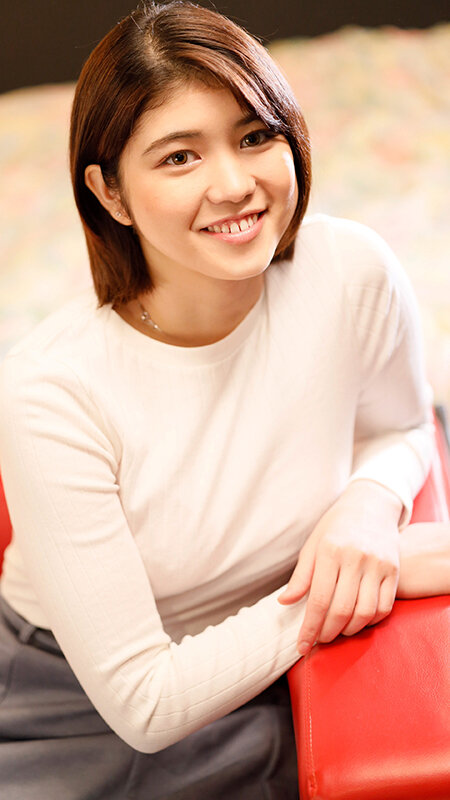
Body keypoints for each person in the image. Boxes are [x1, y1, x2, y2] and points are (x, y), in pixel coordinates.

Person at [0, 2, 447, 798]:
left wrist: (367, 510)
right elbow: (146, 703)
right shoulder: (50, 392)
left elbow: (406, 426)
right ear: (109, 193)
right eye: (179, 157)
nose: (236, 186)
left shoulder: (350, 271)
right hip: (72, 693)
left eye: (254, 136)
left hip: (279, 655)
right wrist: (350, 583)